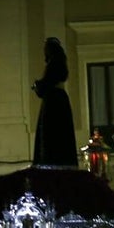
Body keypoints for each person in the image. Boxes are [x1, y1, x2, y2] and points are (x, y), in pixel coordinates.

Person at [31, 37, 78, 166]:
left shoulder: (53, 64)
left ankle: (49, 160)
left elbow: (45, 85)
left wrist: (37, 85)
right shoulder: (61, 64)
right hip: (60, 101)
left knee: (49, 136)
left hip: (52, 102)